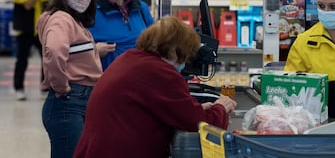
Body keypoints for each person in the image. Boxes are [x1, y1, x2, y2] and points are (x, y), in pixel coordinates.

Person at [74, 15, 237, 158]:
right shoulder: (159, 72)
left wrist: (196, 108)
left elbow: (162, 108)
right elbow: (198, 124)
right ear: (174, 52)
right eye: (185, 57)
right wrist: (221, 108)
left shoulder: (131, 59)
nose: (184, 63)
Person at [37, 0, 103, 158]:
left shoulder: (73, 20)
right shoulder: (61, 19)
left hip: (77, 102)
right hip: (68, 103)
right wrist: (61, 86)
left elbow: (69, 52)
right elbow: (55, 51)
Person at [89, 0, 154, 70]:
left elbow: (155, 42)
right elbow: (74, 51)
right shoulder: (90, 11)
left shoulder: (141, 8)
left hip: (139, 80)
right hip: (106, 83)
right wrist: (92, 51)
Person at [12, 0, 48, 100]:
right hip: (25, 28)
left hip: (38, 28)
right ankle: (19, 88)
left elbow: (44, 2)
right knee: (22, 59)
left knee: (46, 58)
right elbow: (28, 5)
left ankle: (44, 87)